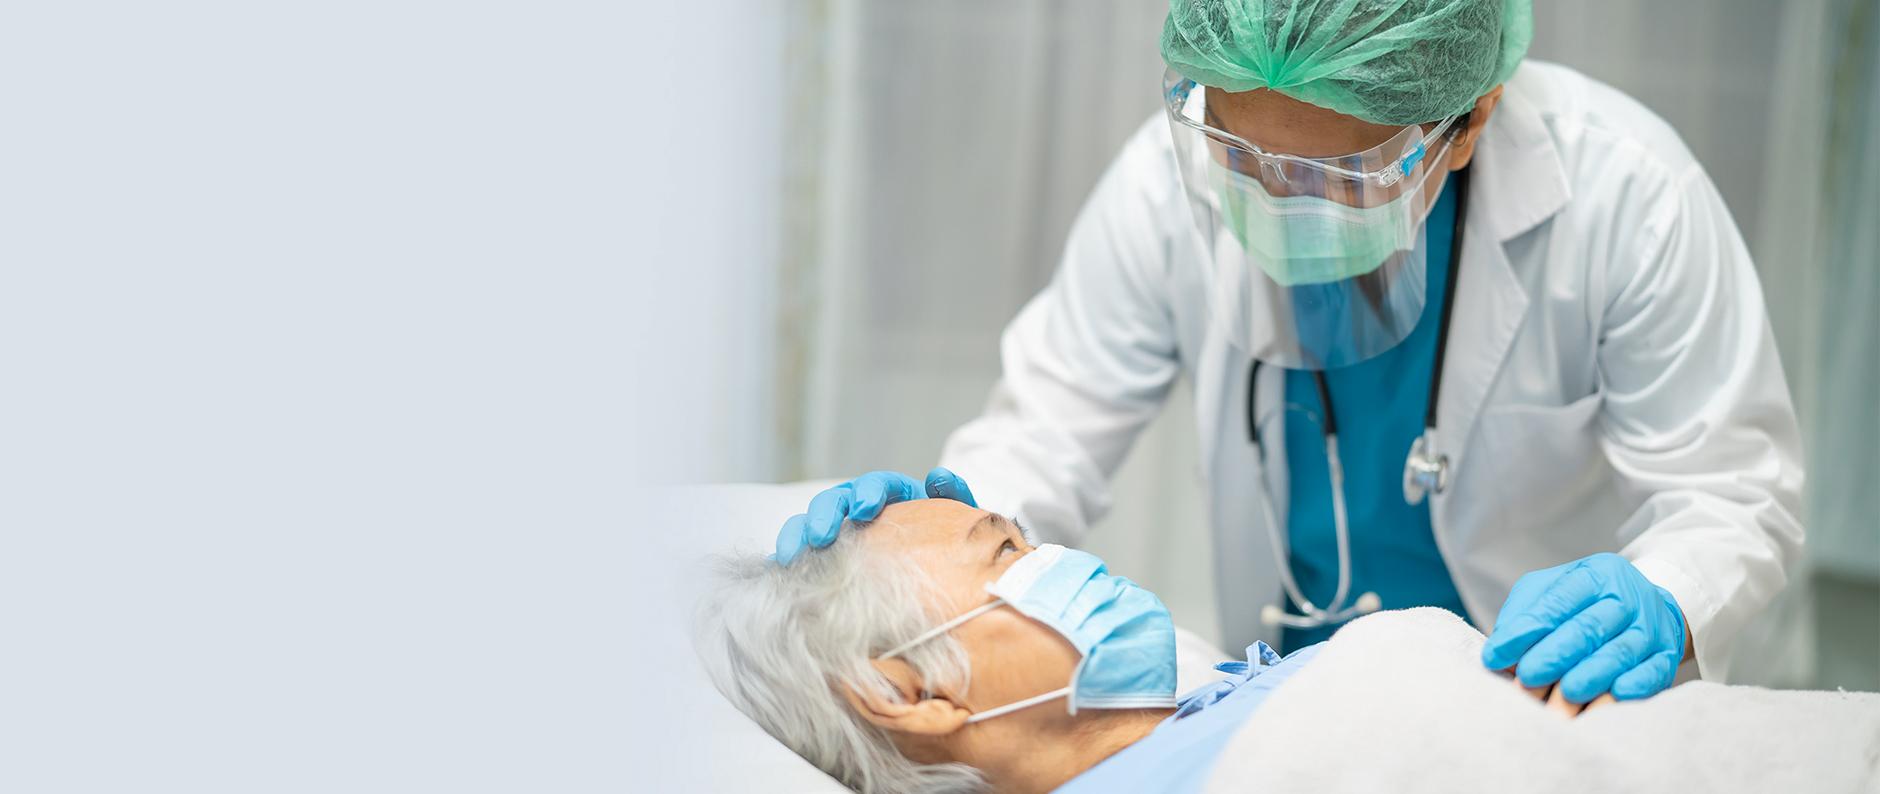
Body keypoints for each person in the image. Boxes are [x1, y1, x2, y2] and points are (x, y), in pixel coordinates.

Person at [770, 0, 1802, 709]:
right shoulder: (1160, 191)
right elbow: (1044, 432)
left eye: (1343, 177)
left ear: (1470, 116)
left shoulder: (1628, 198)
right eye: (1237, 154)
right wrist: (931, 534)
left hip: (1531, 701)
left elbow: (1729, 493)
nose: (1278, 206)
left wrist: (1665, 589)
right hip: (1290, 713)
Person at [714, 500, 1873, 794]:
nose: (1061, 551)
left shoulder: (1207, 706)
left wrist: (1672, 587)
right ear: (900, 687)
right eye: (1006, 546)